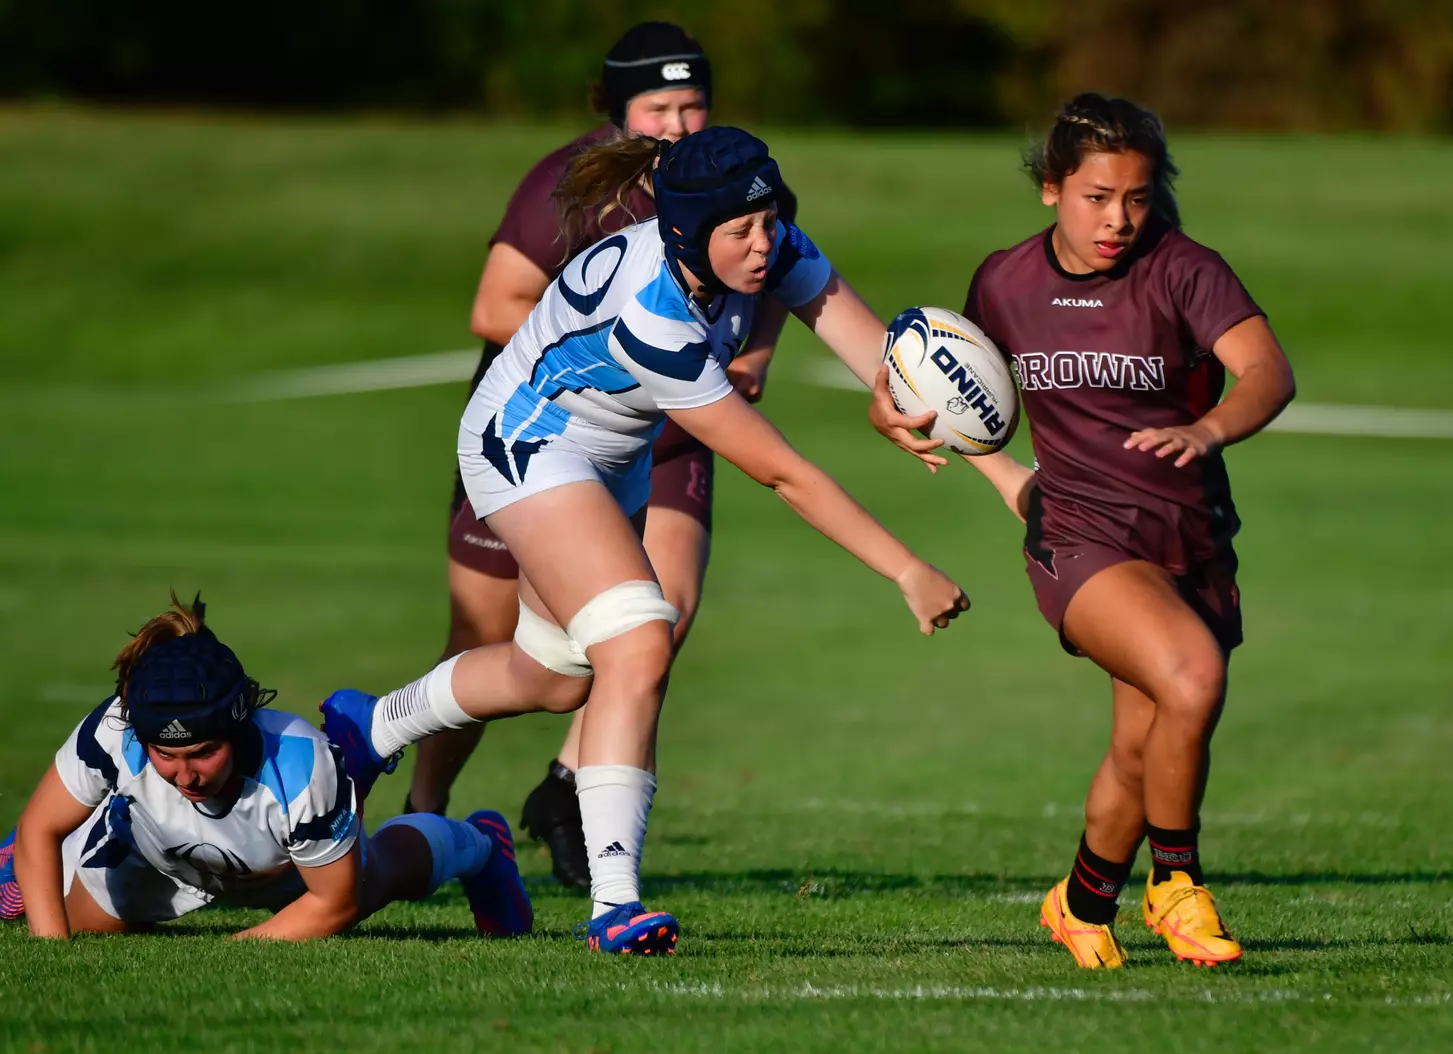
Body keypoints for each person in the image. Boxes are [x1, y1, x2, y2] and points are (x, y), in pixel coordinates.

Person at [320, 125, 969, 957]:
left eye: (769, 221)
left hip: (607, 453)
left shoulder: (765, 244)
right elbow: (783, 474)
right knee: (638, 640)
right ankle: (614, 904)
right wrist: (905, 568)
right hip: (526, 442)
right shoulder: (653, 316)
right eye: (740, 232)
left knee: (552, 678)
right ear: (686, 233)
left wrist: (895, 401)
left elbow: (879, 356)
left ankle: (369, 726)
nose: (763, 245)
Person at [911, 93, 1296, 968]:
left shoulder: (1185, 270)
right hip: (1077, 535)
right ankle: (1175, 885)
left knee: (1142, 740)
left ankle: (1081, 903)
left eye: (1136, 196)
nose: (1118, 218)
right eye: (1096, 197)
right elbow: (940, 383)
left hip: (1187, 537)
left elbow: (1267, 372)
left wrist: (1210, 429)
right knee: (1191, 678)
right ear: (1050, 188)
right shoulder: (1003, 282)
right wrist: (914, 426)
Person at [419, 22, 790, 892]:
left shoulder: (728, 175)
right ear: (614, 108)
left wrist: (754, 353)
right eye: (657, 107)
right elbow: (493, 306)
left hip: (669, 433)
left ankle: (573, 794)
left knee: (657, 615)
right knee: (486, 637)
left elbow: (791, 264)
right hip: (541, 427)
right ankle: (424, 806)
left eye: (692, 103)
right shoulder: (568, 183)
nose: (677, 123)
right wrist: (625, 350)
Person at [0, 595, 532, 940]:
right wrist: (54, 947)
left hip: (282, 867)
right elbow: (39, 828)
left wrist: (234, 955)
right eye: (166, 755)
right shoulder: (114, 730)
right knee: (66, 915)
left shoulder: (297, 768)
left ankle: (481, 845)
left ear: (238, 725)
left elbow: (332, 905)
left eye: (203, 753)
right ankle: (23, 864)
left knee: (377, 877)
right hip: (153, 853)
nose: (186, 776)